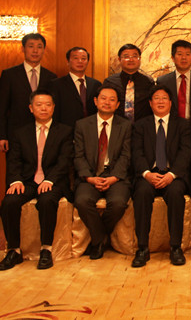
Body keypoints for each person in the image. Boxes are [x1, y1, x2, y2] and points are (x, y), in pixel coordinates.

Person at [0, 89, 73, 271]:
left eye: (47, 105)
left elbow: (64, 161)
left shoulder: (64, 131)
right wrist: (16, 181)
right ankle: (14, 250)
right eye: (39, 105)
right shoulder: (20, 133)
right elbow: (14, 161)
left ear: (53, 107)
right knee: (9, 202)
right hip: (28, 181)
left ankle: (46, 249)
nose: (43, 108)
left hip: (54, 181)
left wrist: (50, 180)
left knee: (46, 201)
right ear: (31, 108)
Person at [131, 85, 191, 267]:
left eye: (164, 98)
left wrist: (172, 175)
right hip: (148, 174)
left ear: (171, 102)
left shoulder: (182, 125)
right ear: (150, 103)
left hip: (173, 175)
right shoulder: (140, 125)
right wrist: (147, 174)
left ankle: (175, 247)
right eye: (156, 98)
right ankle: (142, 248)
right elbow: (136, 153)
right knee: (142, 193)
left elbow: (185, 152)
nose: (161, 101)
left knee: (175, 193)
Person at [73, 86, 132, 260]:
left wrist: (114, 177)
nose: (107, 102)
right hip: (90, 176)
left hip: (115, 177)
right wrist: (90, 178)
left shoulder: (125, 126)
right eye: (103, 98)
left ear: (118, 104)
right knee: (82, 201)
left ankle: (98, 239)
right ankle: (101, 239)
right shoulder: (82, 125)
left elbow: (126, 156)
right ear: (95, 101)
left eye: (112, 100)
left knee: (119, 203)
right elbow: (78, 155)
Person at [0, 33, 57, 155]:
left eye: (39, 47)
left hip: (43, 132)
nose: (35, 51)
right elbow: (2, 108)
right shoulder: (9, 75)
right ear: (23, 48)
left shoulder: (51, 77)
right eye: (31, 46)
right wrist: (2, 136)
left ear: (43, 50)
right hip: (15, 133)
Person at [156, 39, 191, 129]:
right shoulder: (163, 81)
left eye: (187, 54)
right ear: (173, 58)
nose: (184, 58)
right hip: (170, 129)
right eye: (180, 54)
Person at [50, 47, 102, 128]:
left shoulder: (96, 84)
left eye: (83, 58)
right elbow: (54, 111)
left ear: (88, 62)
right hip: (65, 130)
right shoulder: (56, 84)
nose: (80, 61)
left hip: (90, 129)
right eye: (76, 58)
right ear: (68, 62)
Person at [103, 43, 153, 122]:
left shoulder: (148, 82)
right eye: (126, 57)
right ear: (119, 59)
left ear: (139, 59)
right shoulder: (110, 82)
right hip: (116, 125)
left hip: (142, 125)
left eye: (134, 56)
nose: (131, 60)